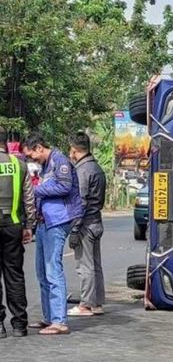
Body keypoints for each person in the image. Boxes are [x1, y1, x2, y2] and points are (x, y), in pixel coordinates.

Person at [22, 133, 83, 335]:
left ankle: (60, 320)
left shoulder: (59, 161)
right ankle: (49, 317)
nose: (32, 160)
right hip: (44, 222)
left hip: (58, 221)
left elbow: (65, 186)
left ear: (40, 147)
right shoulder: (46, 165)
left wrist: (35, 190)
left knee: (52, 269)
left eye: (32, 155)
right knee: (41, 272)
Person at [0, 128, 37, 338]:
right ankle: (19, 325)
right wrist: (29, 226)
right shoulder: (18, 165)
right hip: (13, 226)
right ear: (6, 143)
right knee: (14, 275)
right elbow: (29, 200)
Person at [67, 132, 106, 316]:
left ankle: (86, 305)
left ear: (75, 150)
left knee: (85, 265)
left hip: (85, 224)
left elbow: (80, 202)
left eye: (70, 150)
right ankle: (97, 303)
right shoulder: (97, 168)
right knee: (95, 264)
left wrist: (74, 228)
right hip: (96, 220)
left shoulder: (82, 171)